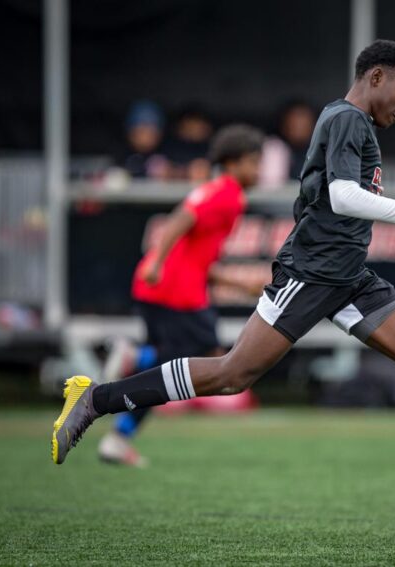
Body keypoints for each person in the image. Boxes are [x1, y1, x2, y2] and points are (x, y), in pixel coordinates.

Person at [51, 40, 395, 539]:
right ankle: (96, 399)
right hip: (312, 273)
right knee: (230, 374)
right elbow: (343, 196)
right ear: (376, 77)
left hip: (350, 277)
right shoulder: (347, 119)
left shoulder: (354, 123)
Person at [98, 123, 266, 466]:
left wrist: (238, 285)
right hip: (175, 294)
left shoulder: (219, 191)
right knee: (202, 362)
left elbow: (199, 258)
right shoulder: (227, 195)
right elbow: (180, 219)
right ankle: (134, 360)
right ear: (233, 163)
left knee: (171, 370)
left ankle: (119, 436)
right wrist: (158, 261)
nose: (259, 170)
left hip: (166, 289)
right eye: (254, 162)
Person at [122, 100, 169, 179]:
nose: (146, 137)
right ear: (130, 133)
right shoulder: (119, 155)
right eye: (142, 131)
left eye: (152, 132)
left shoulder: (168, 153)